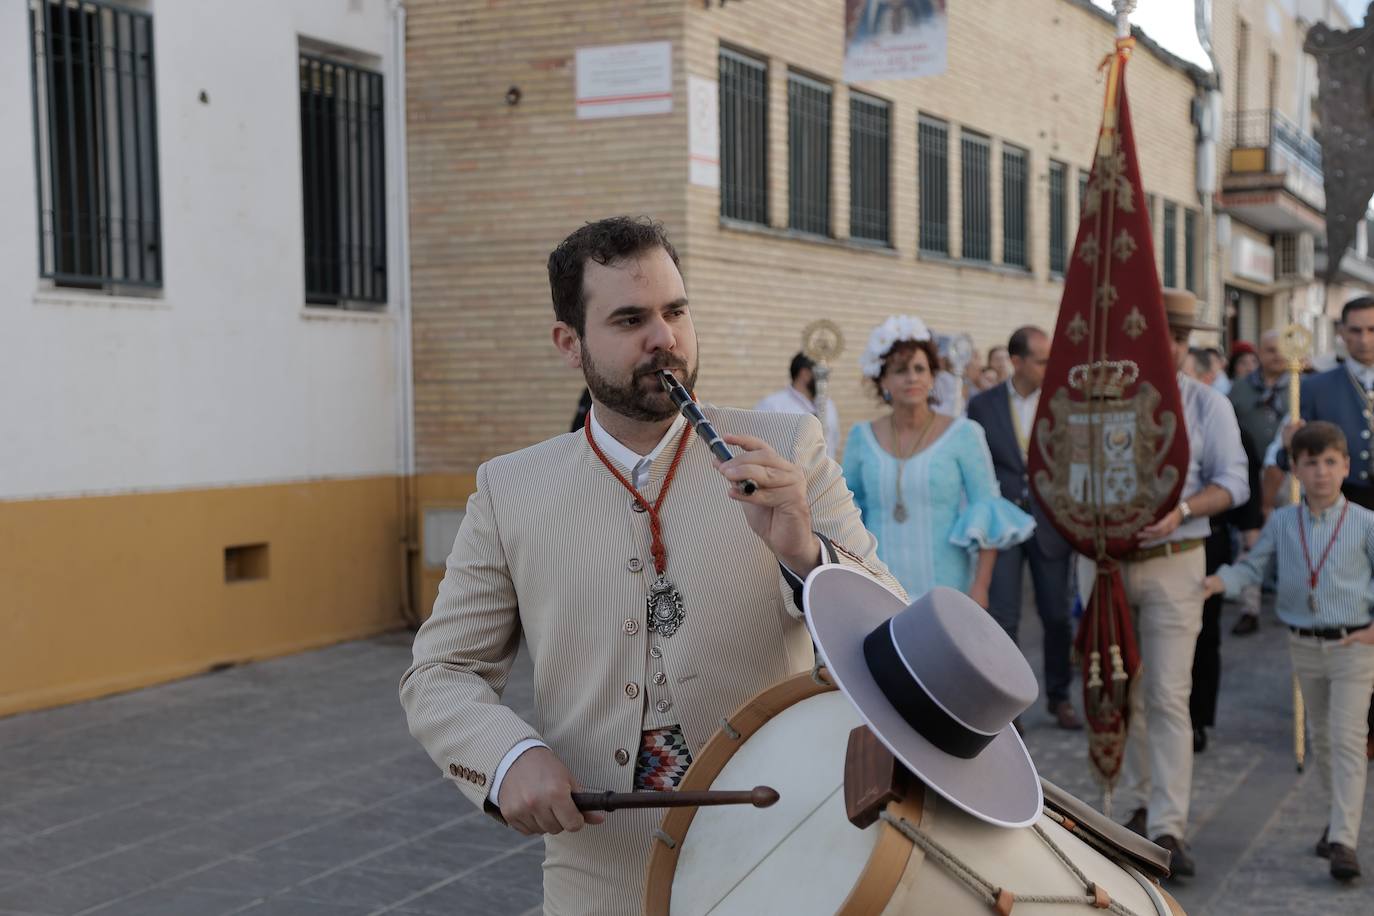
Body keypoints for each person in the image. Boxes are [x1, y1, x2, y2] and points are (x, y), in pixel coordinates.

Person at [399, 216, 901, 915]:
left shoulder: (787, 449)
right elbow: (441, 671)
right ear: (569, 343)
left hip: (776, 856)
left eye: (676, 311)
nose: (664, 338)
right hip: (600, 875)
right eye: (630, 319)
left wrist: (803, 552)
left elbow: (891, 635)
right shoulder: (510, 490)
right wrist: (508, 758)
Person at [1094, 289, 1248, 877]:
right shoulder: (1102, 400)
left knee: (1166, 693)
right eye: (1162, 337)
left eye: (1180, 339)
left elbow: (1233, 483)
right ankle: (1135, 805)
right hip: (1109, 563)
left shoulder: (1208, 404)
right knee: (1121, 688)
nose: (1172, 348)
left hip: (1176, 557)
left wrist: (1181, 511)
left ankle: (1168, 826)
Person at [1206, 421, 1374, 882]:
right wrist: (1216, 582)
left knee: (1347, 738)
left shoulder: (1365, 523)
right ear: (1295, 470)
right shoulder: (1283, 522)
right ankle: (1337, 819)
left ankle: (1344, 842)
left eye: (1330, 462)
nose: (1322, 472)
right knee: (1322, 739)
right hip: (1303, 644)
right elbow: (1252, 567)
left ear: (1346, 467)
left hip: (1353, 645)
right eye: (1311, 463)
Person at [842, 314, 1033, 605]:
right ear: (883, 380)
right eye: (900, 370)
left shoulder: (964, 433)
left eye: (920, 368)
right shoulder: (861, 437)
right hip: (880, 585)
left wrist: (981, 587)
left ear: (932, 377)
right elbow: (846, 511)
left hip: (947, 588)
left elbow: (986, 506)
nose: (912, 377)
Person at [966, 326, 1081, 731]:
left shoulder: (1063, 402)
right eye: (1042, 360)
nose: (1051, 367)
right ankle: (1008, 707)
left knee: (1056, 615)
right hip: (1002, 527)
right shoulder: (982, 405)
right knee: (1004, 618)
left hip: (1050, 523)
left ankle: (1059, 697)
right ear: (1017, 362)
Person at [1275, 297, 1374, 758]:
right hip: (1338, 510)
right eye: (1355, 330)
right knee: (1349, 613)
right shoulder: (1314, 387)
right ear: (1341, 333)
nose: (1364, 339)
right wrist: (1287, 444)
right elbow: (1288, 459)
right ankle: (1356, 725)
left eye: (1372, 330)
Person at [1229, 330, 1291, 635]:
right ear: (1259, 353)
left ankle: (1293, 603)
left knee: (1294, 541)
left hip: (1293, 476)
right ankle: (1249, 608)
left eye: (1281, 349)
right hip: (1252, 476)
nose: (1276, 356)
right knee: (1251, 541)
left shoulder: (1301, 386)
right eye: (1269, 350)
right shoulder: (1240, 389)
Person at [754, 351, 840, 458]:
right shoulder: (772, 406)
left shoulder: (829, 405)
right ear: (805, 374)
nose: (826, 380)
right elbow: (759, 448)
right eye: (822, 375)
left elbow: (834, 442)